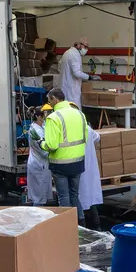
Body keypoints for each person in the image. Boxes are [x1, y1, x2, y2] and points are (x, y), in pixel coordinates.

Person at [39, 87, 89, 222]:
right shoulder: (79, 114)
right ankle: (81, 223)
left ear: (54, 99)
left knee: (63, 197)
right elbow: (86, 137)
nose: (49, 104)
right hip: (78, 162)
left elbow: (52, 145)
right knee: (74, 195)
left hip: (60, 164)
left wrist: (41, 144)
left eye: (49, 101)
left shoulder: (53, 118)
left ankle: (66, 226)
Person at [25, 105, 53, 205]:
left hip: (42, 166)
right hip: (38, 165)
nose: (48, 115)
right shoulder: (34, 131)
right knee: (38, 198)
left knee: (42, 195)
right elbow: (44, 151)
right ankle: (37, 218)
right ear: (38, 117)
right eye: (46, 113)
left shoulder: (43, 126)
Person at [61, 38, 101, 107]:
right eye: (85, 47)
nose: (86, 49)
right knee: (75, 111)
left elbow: (60, 67)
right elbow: (77, 73)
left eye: (87, 47)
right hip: (72, 91)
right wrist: (90, 77)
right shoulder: (75, 54)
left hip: (66, 88)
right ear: (78, 45)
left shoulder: (67, 52)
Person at [79, 124, 103, 229]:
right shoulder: (87, 128)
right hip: (90, 169)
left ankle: (82, 226)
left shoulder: (72, 129)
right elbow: (97, 137)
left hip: (77, 168)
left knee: (79, 198)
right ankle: (97, 226)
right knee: (91, 199)